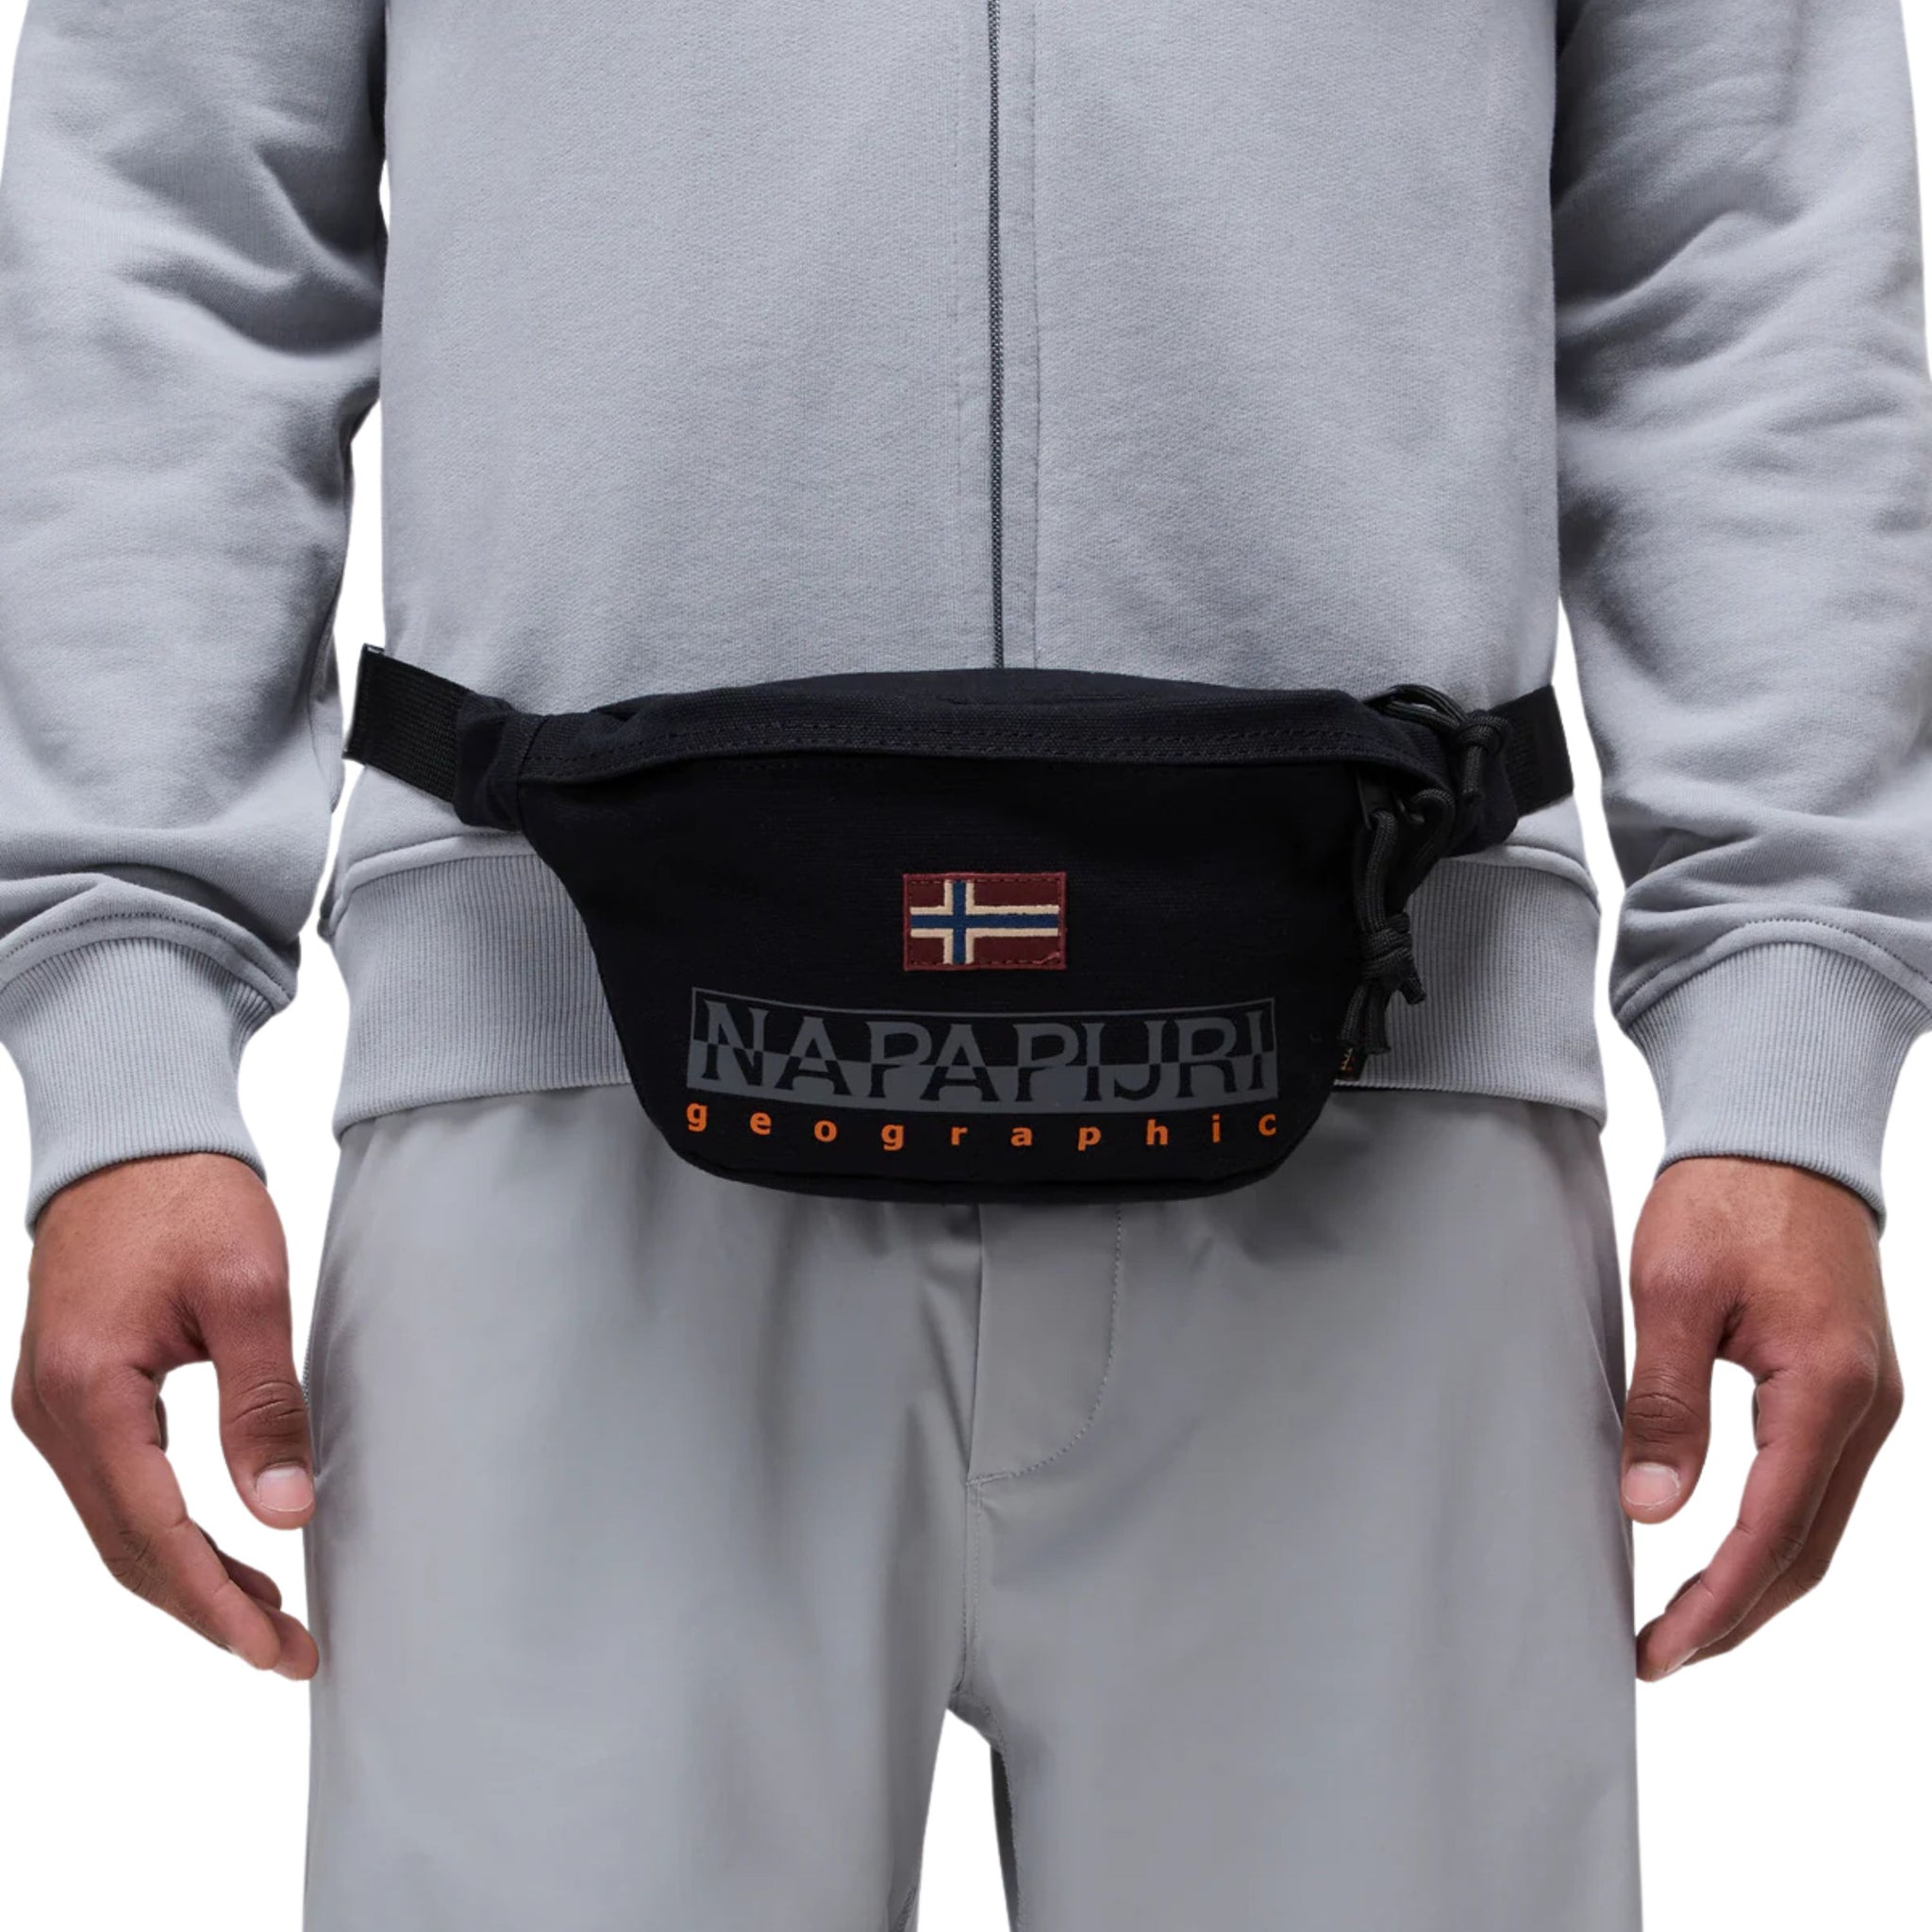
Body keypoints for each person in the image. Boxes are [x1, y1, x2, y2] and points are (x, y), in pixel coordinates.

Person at [0, 3, 1922, 1927]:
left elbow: (1738, 255)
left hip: (1381, 1089)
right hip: (569, 1077)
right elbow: (174, 234)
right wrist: (123, 1028)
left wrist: (1787, 1031)